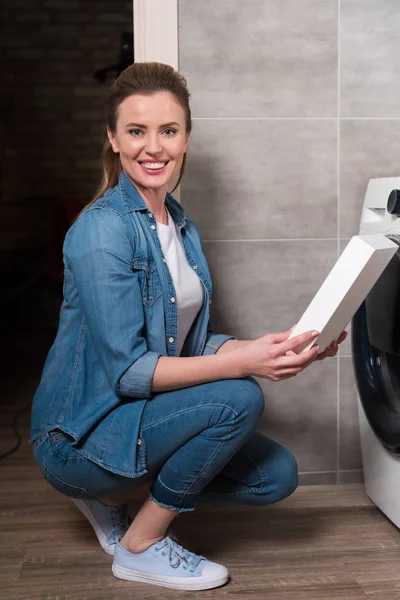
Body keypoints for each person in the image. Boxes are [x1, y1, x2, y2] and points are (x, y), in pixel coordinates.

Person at [30, 62, 346, 592]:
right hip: (78, 438)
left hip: (138, 422)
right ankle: (140, 544)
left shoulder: (178, 224)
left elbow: (192, 343)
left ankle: (114, 496)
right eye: (136, 131)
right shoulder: (100, 231)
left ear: (186, 138)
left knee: (276, 476)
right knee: (238, 398)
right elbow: (130, 372)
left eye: (168, 131)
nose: (153, 147)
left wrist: (288, 346)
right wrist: (245, 365)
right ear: (112, 139)